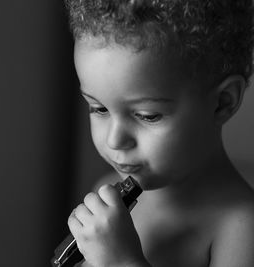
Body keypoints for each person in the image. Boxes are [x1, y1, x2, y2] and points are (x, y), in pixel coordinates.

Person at [64, 0, 254, 266]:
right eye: (99, 108)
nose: (114, 140)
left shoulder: (241, 226)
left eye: (147, 116)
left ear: (223, 102)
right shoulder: (109, 196)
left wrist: (123, 262)